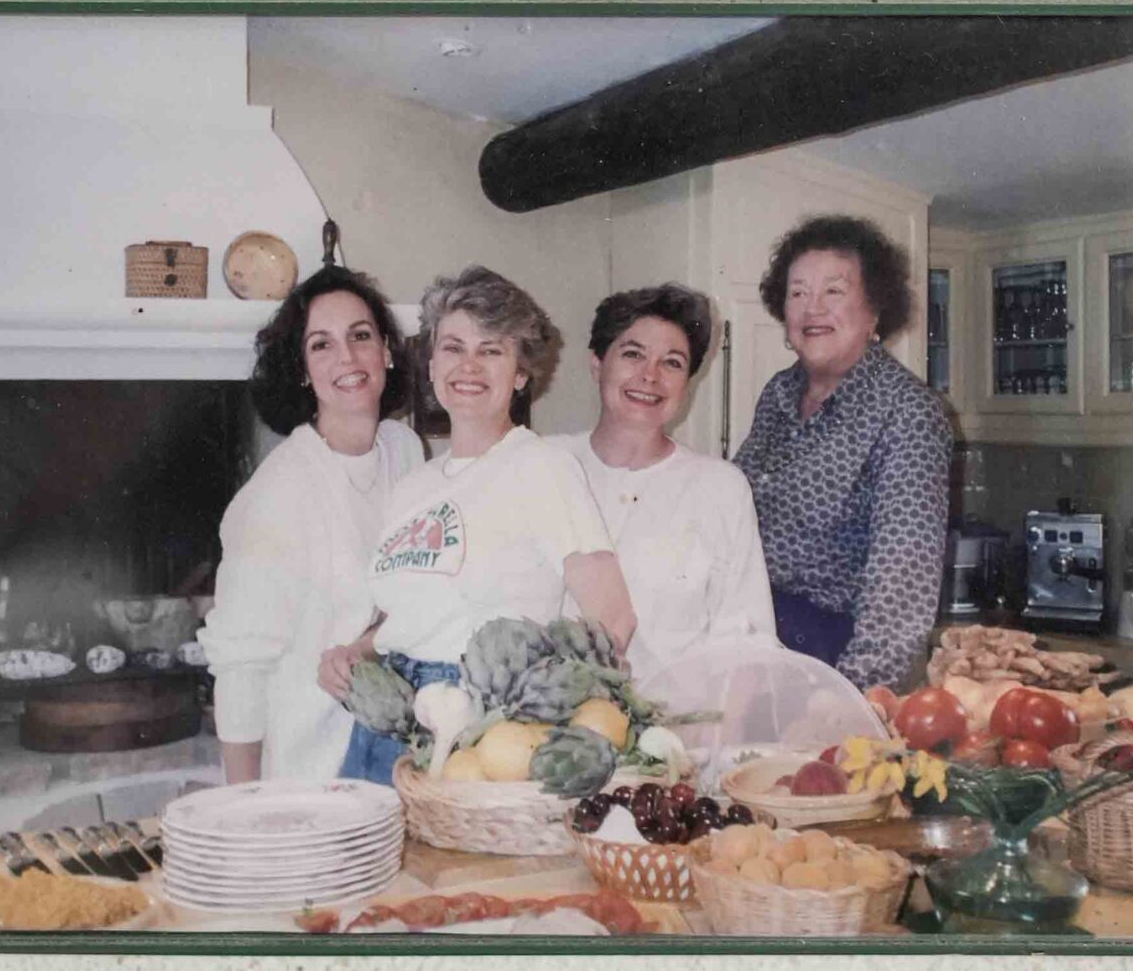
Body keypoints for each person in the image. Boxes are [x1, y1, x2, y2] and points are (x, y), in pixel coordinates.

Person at [327, 267, 636, 784]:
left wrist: (525, 721)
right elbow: (409, 617)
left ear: (520, 373)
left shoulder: (542, 466)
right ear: (430, 364)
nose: (468, 365)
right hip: (383, 720)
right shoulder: (413, 486)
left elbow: (613, 621)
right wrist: (352, 653)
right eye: (452, 347)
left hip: (478, 729)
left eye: (491, 350)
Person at [197, 264, 423, 784]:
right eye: (321, 344)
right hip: (310, 774)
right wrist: (245, 806)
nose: (348, 357)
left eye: (361, 336)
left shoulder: (404, 450)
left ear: (386, 350)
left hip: (399, 754)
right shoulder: (276, 496)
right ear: (301, 369)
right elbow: (240, 667)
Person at [733, 216, 951, 692]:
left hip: (830, 658)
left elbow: (901, 589)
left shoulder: (909, 411)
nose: (813, 308)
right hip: (749, 640)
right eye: (797, 292)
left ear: (874, 311)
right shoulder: (778, 393)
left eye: (834, 291)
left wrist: (848, 703)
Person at [550, 284, 774, 690]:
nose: (649, 376)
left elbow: (748, 639)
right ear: (597, 363)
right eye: (632, 354)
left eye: (672, 363)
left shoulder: (721, 487)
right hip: (546, 730)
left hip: (679, 734)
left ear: (687, 383)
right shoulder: (546, 465)